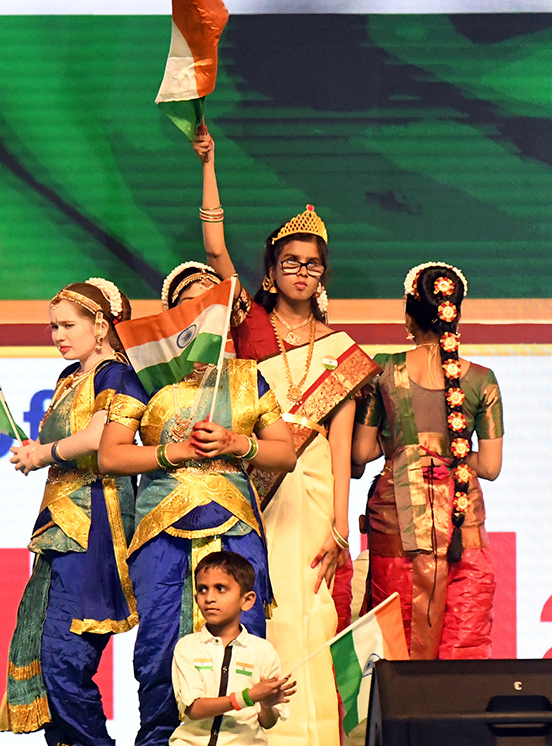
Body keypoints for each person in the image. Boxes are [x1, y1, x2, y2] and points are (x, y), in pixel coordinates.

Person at [194, 129, 379, 746]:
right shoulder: (248, 324)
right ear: (271, 272)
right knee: (260, 604)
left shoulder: (340, 352)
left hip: (316, 495)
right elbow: (215, 247)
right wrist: (211, 162)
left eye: (314, 264)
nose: (303, 272)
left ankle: (315, 735)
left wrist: (340, 524)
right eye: (291, 262)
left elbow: (340, 436)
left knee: (312, 611)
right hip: (255, 488)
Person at [98, 261, 296, 746]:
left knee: (243, 643)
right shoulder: (143, 377)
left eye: (217, 300)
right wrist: (173, 451)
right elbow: (109, 453)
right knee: (160, 645)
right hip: (162, 526)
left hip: (234, 524)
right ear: (175, 317)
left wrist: (235, 443)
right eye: (194, 301)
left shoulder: (249, 378)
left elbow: (285, 451)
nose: (208, 309)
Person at [0, 279, 149, 746]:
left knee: (65, 662)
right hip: (58, 529)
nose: (58, 335)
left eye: (68, 325)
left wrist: (43, 453)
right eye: (53, 326)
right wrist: (38, 450)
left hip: (95, 525)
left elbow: (102, 438)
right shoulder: (68, 380)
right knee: (44, 663)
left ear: (100, 325)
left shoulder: (117, 375)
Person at [352, 261, 504, 659]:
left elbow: (361, 453)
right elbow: (488, 467)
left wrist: (404, 450)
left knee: (397, 649)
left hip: (398, 524)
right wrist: (449, 450)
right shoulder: (482, 379)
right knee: (462, 647)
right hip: (461, 527)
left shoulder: (383, 368)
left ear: (408, 314)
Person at [169, 550, 296, 746]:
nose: (209, 597)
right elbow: (194, 709)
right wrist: (249, 696)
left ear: (247, 600)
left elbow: (267, 722)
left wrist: (267, 705)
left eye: (220, 588)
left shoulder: (263, 651)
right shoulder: (187, 647)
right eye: (203, 589)